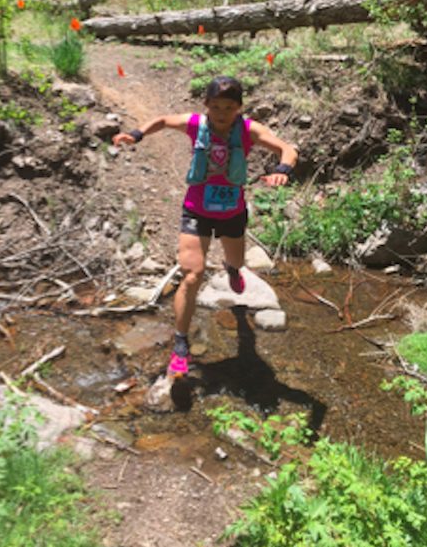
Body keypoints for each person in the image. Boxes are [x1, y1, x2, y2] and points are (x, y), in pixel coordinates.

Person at [112, 75, 298, 377]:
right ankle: (181, 344)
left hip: (232, 212)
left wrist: (282, 170)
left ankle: (234, 270)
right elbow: (161, 120)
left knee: (235, 261)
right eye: (215, 107)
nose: (221, 114)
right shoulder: (196, 124)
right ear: (206, 106)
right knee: (192, 274)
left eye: (228, 107)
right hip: (196, 210)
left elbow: (288, 150)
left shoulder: (249, 129)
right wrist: (136, 134)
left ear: (239, 107)